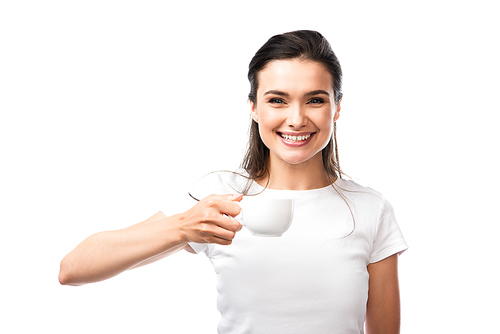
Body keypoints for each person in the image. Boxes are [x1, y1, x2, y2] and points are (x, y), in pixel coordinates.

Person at [59, 30, 408, 334]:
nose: (297, 118)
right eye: (277, 100)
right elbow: (73, 269)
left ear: (337, 107)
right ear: (254, 107)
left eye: (315, 100)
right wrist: (183, 227)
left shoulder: (369, 209)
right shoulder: (221, 196)